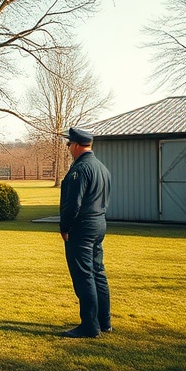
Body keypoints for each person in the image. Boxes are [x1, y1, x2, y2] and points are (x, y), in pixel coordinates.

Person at [59, 127, 112, 338]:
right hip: (99, 223)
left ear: (77, 145)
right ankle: (104, 321)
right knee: (98, 272)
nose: (69, 148)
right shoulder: (102, 168)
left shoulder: (79, 169)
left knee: (84, 275)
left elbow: (73, 203)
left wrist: (65, 227)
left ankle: (89, 325)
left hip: (82, 227)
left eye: (69, 144)